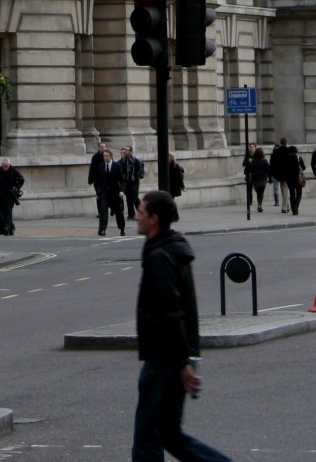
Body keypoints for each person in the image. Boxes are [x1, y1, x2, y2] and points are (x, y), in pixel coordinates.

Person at [132, 189, 234, 462]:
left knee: (146, 439)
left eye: (140, 212)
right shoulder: (170, 249)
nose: (135, 216)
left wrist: (181, 364)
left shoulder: (160, 257)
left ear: (153, 219)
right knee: (170, 435)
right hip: (174, 355)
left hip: (164, 358)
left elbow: (170, 312)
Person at [0, 158, 24, 235]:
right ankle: (10, 228)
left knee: (8, 212)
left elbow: (21, 179)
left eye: (6, 166)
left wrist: (16, 187)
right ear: (1, 166)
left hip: (10, 196)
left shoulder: (13, 172)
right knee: (1, 213)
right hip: (0, 196)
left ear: (9, 166)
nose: (5, 168)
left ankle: (6, 228)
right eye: (4, 166)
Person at [89, 143, 115, 235]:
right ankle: (102, 229)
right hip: (100, 186)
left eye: (104, 147)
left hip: (112, 186)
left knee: (112, 203)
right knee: (103, 207)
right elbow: (92, 169)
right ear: (98, 148)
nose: (105, 157)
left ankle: (112, 208)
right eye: (101, 147)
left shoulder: (115, 165)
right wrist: (90, 180)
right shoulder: (95, 158)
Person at [105, 147, 129, 237]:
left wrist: (122, 191)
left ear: (111, 156)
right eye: (104, 156)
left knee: (119, 212)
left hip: (115, 192)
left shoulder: (117, 166)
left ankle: (122, 228)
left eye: (107, 156)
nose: (105, 157)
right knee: (103, 211)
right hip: (105, 192)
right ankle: (102, 229)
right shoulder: (101, 166)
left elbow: (122, 180)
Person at [120, 144, 146, 215]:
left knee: (135, 197)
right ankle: (131, 214)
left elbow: (141, 168)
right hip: (126, 182)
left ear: (130, 152)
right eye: (124, 150)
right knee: (128, 198)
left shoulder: (135, 160)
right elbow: (117, 167)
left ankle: (142, 211)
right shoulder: (122, 160)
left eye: (126, 150)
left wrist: (138, 175)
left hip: (134, 181)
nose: (124, 151)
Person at [270, 138, 293, 214]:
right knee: (285, 190)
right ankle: (284, 207)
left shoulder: (276, 151)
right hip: (287, 173)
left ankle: (287, 205)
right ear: (286, 142)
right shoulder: (289, 151)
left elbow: (273, 163)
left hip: (279, 174)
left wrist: (273, 173)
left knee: (283, 190)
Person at [245, 145, 270, 215]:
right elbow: (268, 170)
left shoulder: (253, 161)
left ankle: (259, 204)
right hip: (263, 179)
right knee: (261, 193)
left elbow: (250, 169)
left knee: (258, 192)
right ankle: (260, 204)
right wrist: (270, 178)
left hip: (255, 179)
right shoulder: (264, 161)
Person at [286, 143, 306, 216]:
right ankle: (296, 206)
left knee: (292, 193)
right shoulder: (298, 158)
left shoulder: (286, 159)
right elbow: (303, 167)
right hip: (298, 178)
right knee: (299, 193)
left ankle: (293, 209)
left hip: (289, 179)